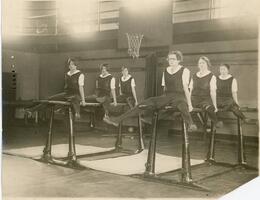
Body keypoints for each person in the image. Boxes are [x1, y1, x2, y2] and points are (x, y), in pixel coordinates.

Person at [104, 50, 197, 132]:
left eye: (173, 59)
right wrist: (162, 102)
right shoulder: (166, 70)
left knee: (182, 105)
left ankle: (191, 124)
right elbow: (164, 88)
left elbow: (186, 88)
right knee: (144, 103)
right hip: (167, 96)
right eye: (169, 59)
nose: (170, 61)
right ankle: (117, 120)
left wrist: (190, 104)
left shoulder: (185, 70)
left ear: (179, 60)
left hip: (180, 96)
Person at [189, 56, 222, 128]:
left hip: (204, 100)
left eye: (203, 63)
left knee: (208, 107)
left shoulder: (211, 76)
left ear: (207, 64)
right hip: (194, 99)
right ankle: (202, 125)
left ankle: (216, 122)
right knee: (186, 107)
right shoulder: (194, 76)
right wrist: (188, 101)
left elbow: (213, 92)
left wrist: (215, 106)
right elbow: (190, 90)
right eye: (200, 63)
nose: (201, 65)